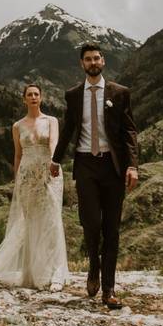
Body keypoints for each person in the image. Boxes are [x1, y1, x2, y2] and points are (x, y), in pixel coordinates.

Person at [51, 43, 138, 309]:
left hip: (112, 166)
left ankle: (109, 289)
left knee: (112, 228)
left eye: (97, 58)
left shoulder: (120, 93)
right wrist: (55, 159)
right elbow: (68, 129)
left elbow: (129, 132)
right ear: (82, 64)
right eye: (88, 59)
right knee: (90, 223)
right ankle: (93, 266)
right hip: (86, 164)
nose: (93, 62)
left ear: (103, 61)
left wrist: (133, 166)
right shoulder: (73, 95)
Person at [0, 84, 68, 291]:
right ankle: (33, 272)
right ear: (24, 99)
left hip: (49, 171)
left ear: (41, 98)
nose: (33, 97)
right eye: (29, 95)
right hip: (27, 175)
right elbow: (18, 154)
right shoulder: (18, 126)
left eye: (36, 94)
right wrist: (17, 179)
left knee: (52, 220)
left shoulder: (51, 121)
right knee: (31, 221)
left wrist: (54, 162)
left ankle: (57, 273)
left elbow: (54, 142)